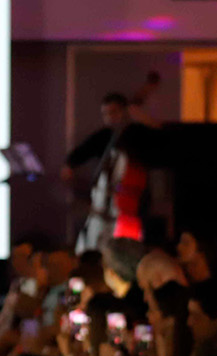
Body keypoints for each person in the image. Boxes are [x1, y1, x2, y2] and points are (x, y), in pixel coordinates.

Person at [64, 80, 163, 252]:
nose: (109, 117)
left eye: (113, 112)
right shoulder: (105, 135)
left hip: (132, 205)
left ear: (124, 111)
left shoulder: (138, 133)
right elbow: (80, 153)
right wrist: (69, 166)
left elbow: (161, 135)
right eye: (105, 114)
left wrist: (141, 117)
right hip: (103, 203)